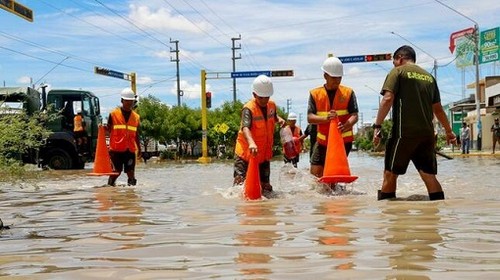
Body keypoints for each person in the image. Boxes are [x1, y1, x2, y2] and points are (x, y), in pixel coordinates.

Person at [372, 45, 457, 201]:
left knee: (390, 174)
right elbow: (438, 109)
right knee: (429, 176)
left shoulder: (397, 72)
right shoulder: (429, 77)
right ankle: (437, 214)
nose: (394, 65)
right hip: (427, 135)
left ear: (400, 59)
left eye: (394, 62)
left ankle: (388, 216)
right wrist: (449, 131)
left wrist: (377, 126)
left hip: (403, 133)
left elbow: (387, 99)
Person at [307, 56, 359, 179]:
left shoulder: (348, 93)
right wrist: (327, 119)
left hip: (342, 142)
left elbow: (354, 115)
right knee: (315, 173)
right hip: (322, 142)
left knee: (333, 174)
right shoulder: (315, 94)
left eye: (339, 78)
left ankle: (334, 196)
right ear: (325, 76)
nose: (337, 81)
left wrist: (346, 125)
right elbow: (310, 117)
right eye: (334, 78)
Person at [233, 75, 285, 197]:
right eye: (261, 97)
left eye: (267, 97)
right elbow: (245, 127)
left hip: (263, 155)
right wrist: (251, 142)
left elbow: (272, 117)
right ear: (254, 94)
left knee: (266, 189)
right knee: (240, 187)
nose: (264, 100)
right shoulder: (248, 109)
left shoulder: (271, 106)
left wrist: (279, 119)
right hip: (245, 154)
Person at [106, 88, 141, 187]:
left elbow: (136, 134)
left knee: (131, 173)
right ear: (122, 101)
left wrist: (140, 149)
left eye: (131, 101)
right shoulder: (113, 114)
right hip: (116, 149)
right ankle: (109, 189)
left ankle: (131, 195)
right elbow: (107, 130)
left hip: (129, 150)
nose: (129, 103)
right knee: (116, 172)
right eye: (127, 101)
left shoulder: (136, 117)